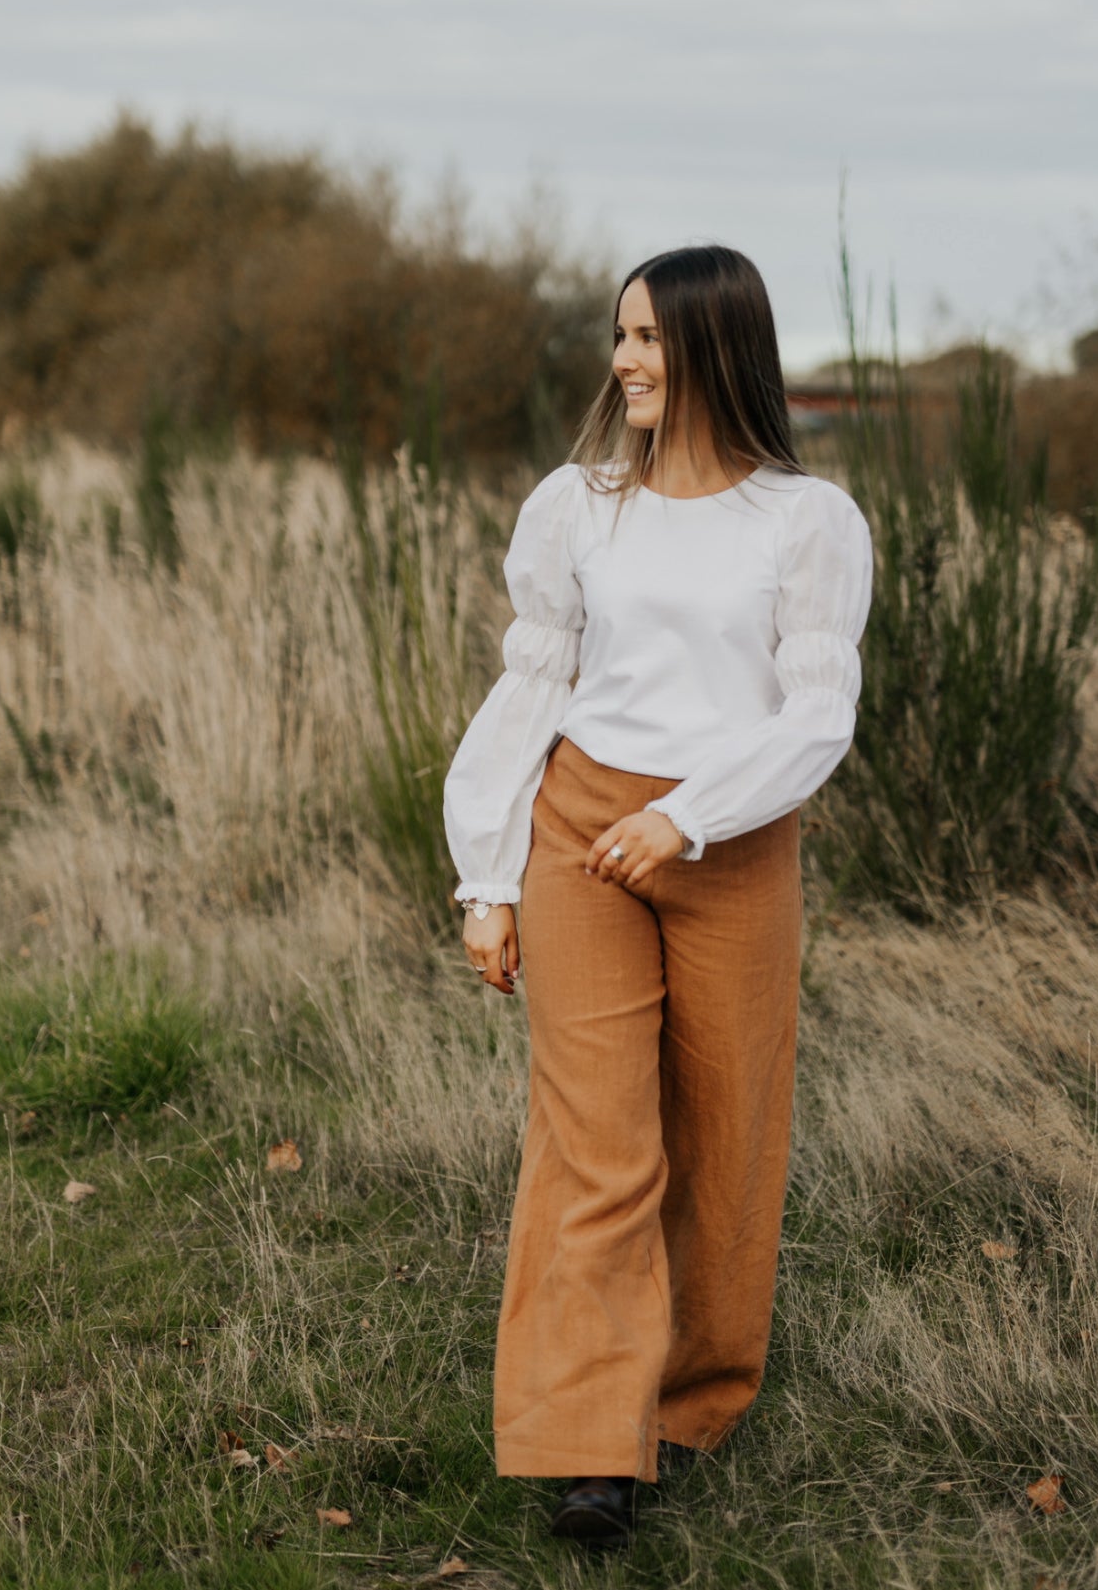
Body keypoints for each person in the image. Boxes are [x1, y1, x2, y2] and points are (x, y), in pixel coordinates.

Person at [442, 244, 873, 1546]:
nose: (621, 359)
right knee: (598, 1136)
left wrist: (684, 816)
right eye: (617, 334)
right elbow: (533, 685)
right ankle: (592, 1449)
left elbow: (819, 713)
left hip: (728, 836)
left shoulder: (808, 522)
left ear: (713, 347)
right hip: (581, 831)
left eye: (644, 337)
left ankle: (684, 1401)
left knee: (729, 1135)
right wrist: (488, 872)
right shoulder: (578, 504)